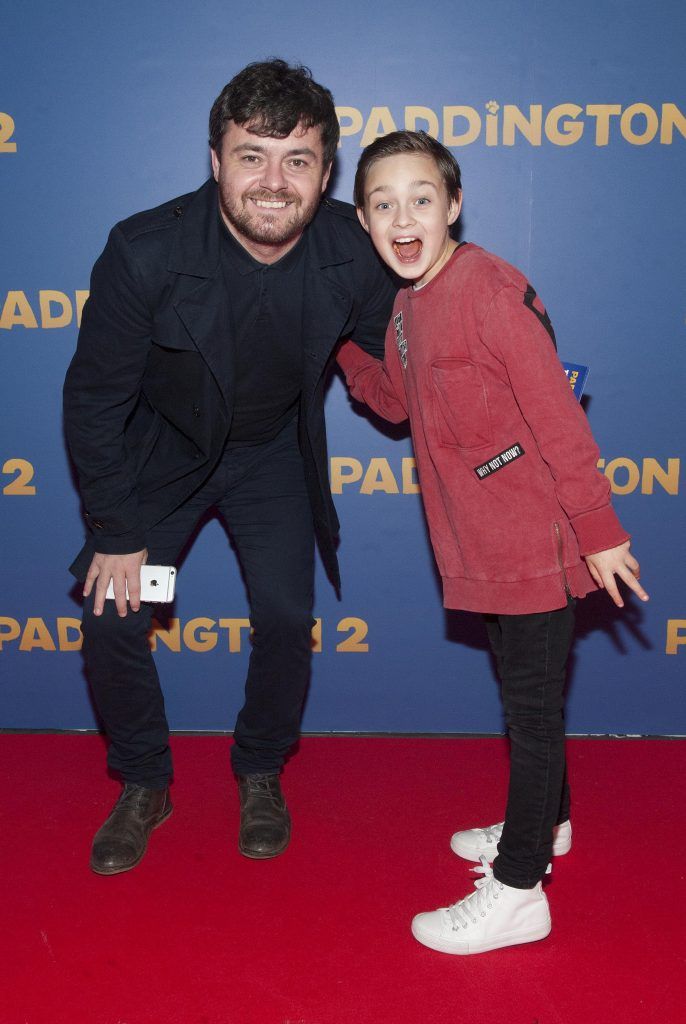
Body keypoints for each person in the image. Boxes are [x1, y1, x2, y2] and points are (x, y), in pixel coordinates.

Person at [63, 59, 395, 875]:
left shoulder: (357, 249)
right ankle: (146, 780)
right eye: (252, 155)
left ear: (328, 172)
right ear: (216, 160)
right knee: (112, 618)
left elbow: (427, 338)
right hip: (161, 460)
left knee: (285, 618)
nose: (274, 183)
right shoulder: (145, 251)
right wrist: (116, 527)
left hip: (273, 453)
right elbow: (95, 400)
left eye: (299, 160)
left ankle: (260, 769)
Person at [337, 130, 648, 955]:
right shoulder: (407, 308)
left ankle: (519, 891)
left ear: (454, 206)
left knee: (532, 715)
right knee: (529, 702)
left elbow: (556, 418)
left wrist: (600, 532)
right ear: (366, 221)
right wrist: (333, 343)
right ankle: (551, 826)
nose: (404, 217)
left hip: (535, 543)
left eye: (421, 199)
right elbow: (396, 402)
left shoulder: (487, 288)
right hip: (479, 546)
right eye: (383, 203)